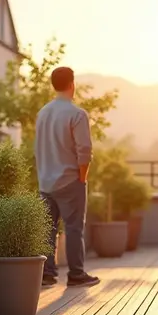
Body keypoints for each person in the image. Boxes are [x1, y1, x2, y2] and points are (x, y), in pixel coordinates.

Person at [34, 67, 101, 288]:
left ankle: (47, 273)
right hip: (70, 180)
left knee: (48, 228)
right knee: (73, 228)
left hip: (45, 181)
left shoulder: (42, 113)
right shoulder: (77, 114)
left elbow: (39, 148)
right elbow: (84, 152)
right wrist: (82, 179)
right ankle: (76, 274)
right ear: (72, 84)